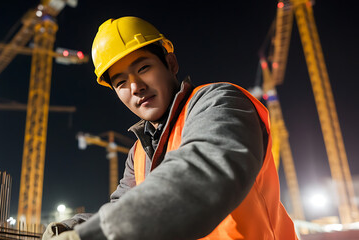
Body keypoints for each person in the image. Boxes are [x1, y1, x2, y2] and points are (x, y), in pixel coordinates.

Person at [42, 16, 298, 240]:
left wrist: (91, 237)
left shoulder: (219, 103)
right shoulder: (139, 153)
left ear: (171, 64)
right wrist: (69, 227)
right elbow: (124, 208)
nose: (135, 87)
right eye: (121, 82)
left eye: (143, 68)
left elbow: (202, 177)